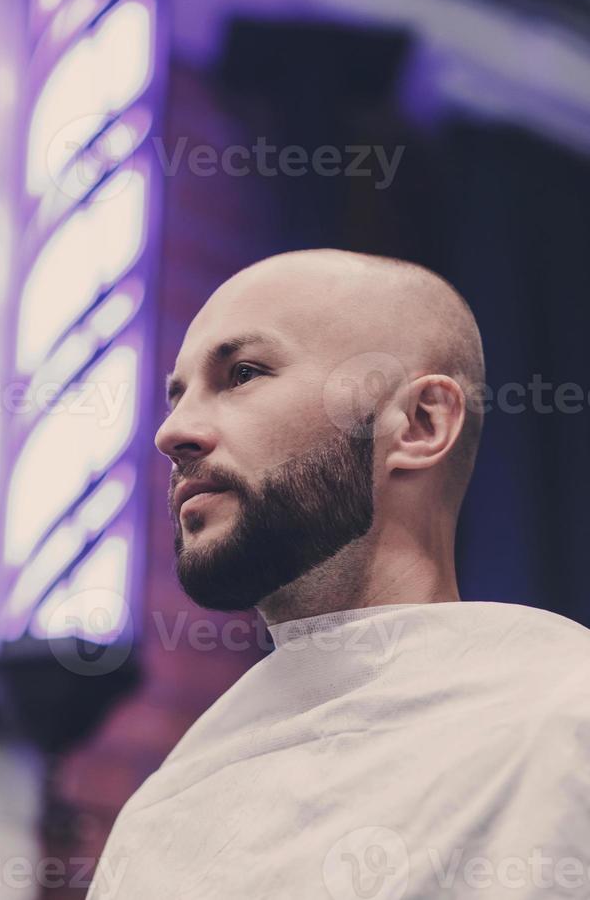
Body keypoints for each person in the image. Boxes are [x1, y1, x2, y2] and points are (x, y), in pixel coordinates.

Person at [87, 249, 590, 899]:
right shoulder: (159, 821)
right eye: (177, 397)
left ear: (417, 424)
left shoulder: (564, 719)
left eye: (242, 373)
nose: (171, 432)